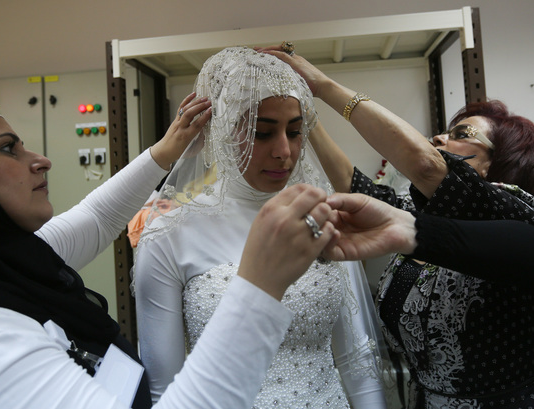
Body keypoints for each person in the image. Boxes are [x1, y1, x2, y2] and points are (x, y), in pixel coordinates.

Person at [0, 80, 338, 409]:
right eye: (8, 149)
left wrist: (169, 148)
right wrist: (259, 286)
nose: (41, 160)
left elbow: (98, 217)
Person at [259, 44, 534, 408]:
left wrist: (322, 85)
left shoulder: (517, 217)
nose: (439, 138)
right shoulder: (424, 218)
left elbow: (427, 166)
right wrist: (306, 114)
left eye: (461, 134)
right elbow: (357, 189)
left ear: (497, 163)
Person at [134, 47, 388, 409]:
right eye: (262, 133)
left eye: (295, 131)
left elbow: (356, 359)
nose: (284, 151)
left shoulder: (321, 216)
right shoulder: (169, 235)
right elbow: (164, 386)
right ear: (223, 131)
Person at [320, 193, 534, 408]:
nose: (439, 139)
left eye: (462, 137)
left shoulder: (516, 212)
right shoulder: (417, 211)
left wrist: (411, 230)